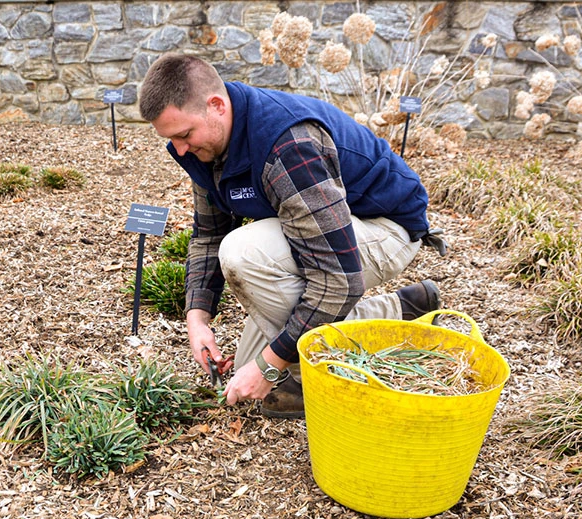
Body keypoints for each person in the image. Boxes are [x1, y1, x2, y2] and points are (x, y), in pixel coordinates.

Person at [137, 53, 447, 418]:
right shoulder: (202, 148)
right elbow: (209, 235)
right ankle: (399, 311)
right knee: (243, 369)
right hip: (318, 228)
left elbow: (337, 280)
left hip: (384, 227)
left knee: (242, 255)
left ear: (216, 106)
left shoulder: (286, 146)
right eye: (172, 139)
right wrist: (197, 319)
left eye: (185, 135)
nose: (180, 149)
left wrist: (272, 367)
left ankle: (313, 379)